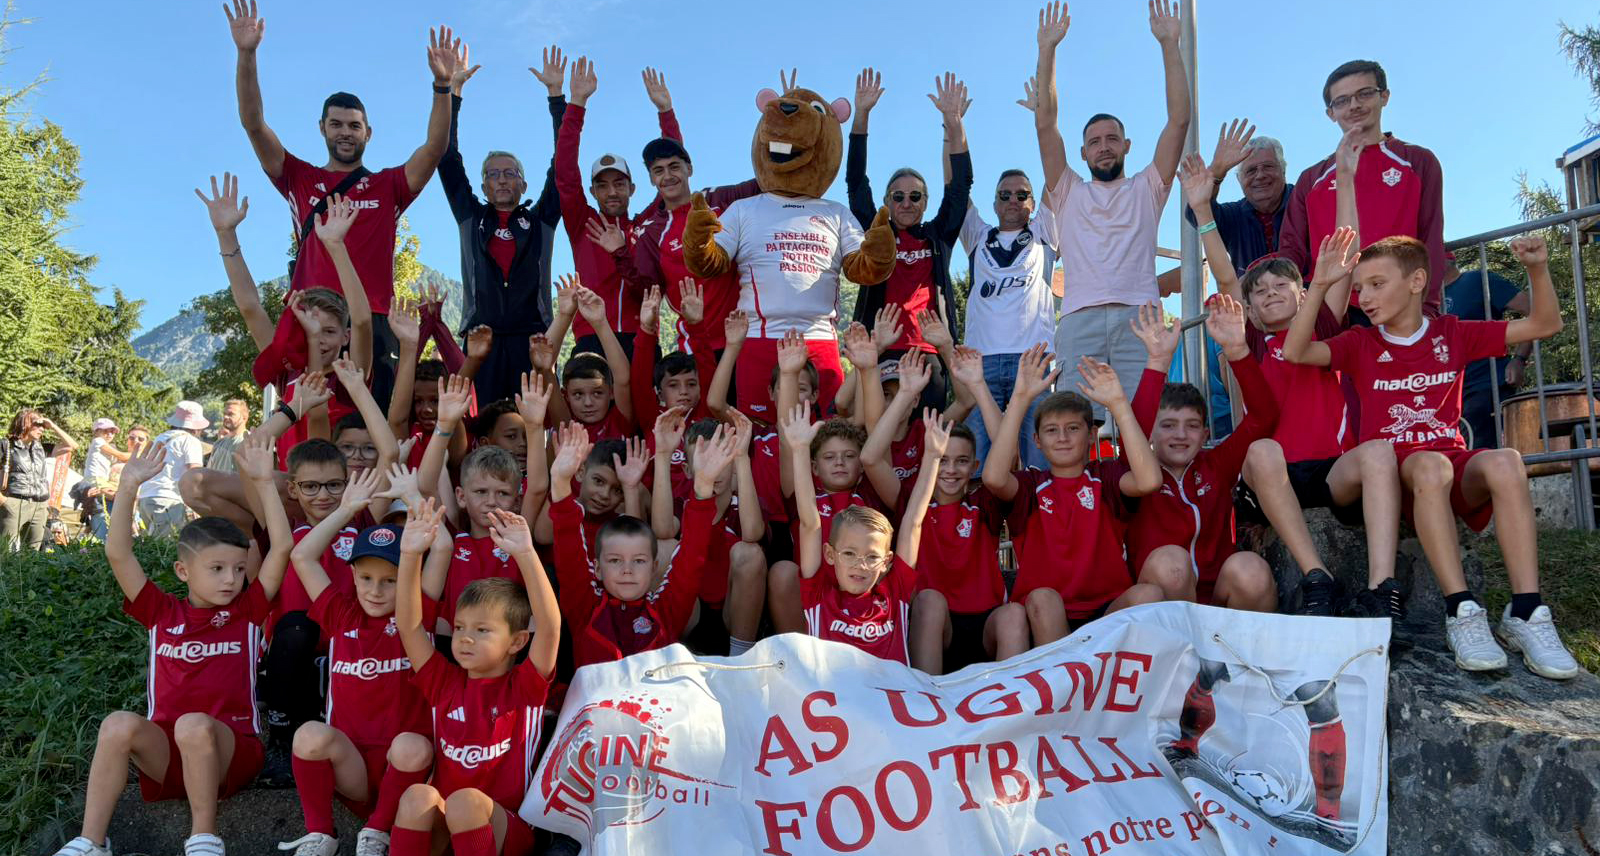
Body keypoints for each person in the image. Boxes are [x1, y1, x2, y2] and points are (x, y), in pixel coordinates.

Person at [1284, 235, 1579, 678]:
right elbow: (1296, 351)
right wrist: (1322, 285)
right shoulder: (1361, 343)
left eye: (1377, 284)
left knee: (1507, 461)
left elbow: (1544, 325)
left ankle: (1526, 610)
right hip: (1396, 471)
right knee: (1428, 464)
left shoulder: (1452, 332)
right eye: (1361, 287)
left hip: (1449, 463)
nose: (1365, 297)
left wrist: (1538, 269)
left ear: (1417, 281)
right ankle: (1461, 610)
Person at [50, 438, 288, 856]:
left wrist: (266, 483)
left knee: (193, 724)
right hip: (170, 752)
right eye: (216, 569)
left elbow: (282, 547)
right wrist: (127, 487)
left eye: (236, 568)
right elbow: (118, 552)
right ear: (183, 570)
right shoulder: (161, 613)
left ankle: (203, 837)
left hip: (234, 751)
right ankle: (90, 841)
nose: (231, 579)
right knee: (119, 724)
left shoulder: (248, 611)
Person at [226, 0, 463, 398]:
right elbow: (253, 124)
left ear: (368, 132)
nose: (345, 132)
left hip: (373, 319)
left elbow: (434, 148)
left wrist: (442, 87)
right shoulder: (299, 178)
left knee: (371, 424)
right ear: (322, 128)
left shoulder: (389, 185)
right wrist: (246, 53)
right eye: (336, 124)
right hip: (312, 318)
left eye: (354, 126)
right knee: (308, 413)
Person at [1031, 0, 1190, 427]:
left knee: (1143, 427)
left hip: (1139, 318)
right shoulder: (1066, 191)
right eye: (1095, 141)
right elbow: (1046, 126)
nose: (1103, 146)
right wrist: (1048, 50)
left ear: (1126, 146)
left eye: (1112, 138)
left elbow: (1178, 122)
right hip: (1080, 319)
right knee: (1074, 427)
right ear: (1083, 152)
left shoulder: (1147, 187)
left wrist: (1169, 43)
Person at [279, 467, 443, 856]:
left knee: (411, 746)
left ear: (408, 578)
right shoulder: (340, 613)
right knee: (307, 735)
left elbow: (445, 549)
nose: (375, 589)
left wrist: (414, 497)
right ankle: (321, 834)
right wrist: (347, 509)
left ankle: (377, 832)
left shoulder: (417, 613)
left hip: (402, 765)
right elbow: (302, 554)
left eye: (389, 580)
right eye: (366, 577)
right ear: (351, 575)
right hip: (350, 764)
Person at [388, 499, 559, 856]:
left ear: (516, 641)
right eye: (462, 627)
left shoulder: (525, 687)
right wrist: (409, 555)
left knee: (466, 802)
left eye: (482, 630)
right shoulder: (444, 682)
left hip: (505, 827)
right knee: (419, 795)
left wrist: (526, 553)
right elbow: (408, 626)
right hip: (450, 828)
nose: (465, 637)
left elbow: (549, 626)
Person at [981, 347, 1163, 648]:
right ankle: (1067, 691)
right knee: (1043, 597)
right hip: (1046, 615)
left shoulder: (1105, 478)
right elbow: (993, 478)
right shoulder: (1031, 485)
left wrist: (1118, 404)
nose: (1063, 437)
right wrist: (1021, 398)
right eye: (1052, 430)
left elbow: (1149, 480)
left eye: (1073, 429)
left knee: (1150, 595)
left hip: (1106, 611)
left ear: (1091, 436)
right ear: (1037, 441)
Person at [1126, 297, 1279, 612]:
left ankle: (1245, 656)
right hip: (1158, 610)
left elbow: (1264, 417)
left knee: (1250, 567)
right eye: (1168, 425)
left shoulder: (1216, 465)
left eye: (1192, 426)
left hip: (1216, 602)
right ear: (1151, 434)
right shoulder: (1132, 475)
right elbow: (1134, 434)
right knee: (1172, 561)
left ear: (1205, 434)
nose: (1181, 435)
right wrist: (1158, 361)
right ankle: (1183, 657)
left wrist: (1237, 351)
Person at [439, 45, 568, 404]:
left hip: (532, 339)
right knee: (484, 428)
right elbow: (447, 159)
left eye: (510, 173)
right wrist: (454, 93)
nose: (501, 180)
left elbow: (563, 164)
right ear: (483, 186)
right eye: (492, 175)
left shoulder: (539, 220)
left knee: (532, 425)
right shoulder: (471, 217)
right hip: (482, 340)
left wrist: (556, 99)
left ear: (524, 184)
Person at [1278, 59, 1447, 322]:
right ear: (1330, 113)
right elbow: (1291, 250)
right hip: (1331, 312)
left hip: (1398, 305)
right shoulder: (1311, 178)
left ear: (1385, 97)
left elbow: (1431, 236)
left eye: (1364, 94)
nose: (1354, 105)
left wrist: (1428, 307)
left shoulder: (1418, 161)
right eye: (1342, 100)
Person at [845, 69, 973, 413]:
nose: (905, 203)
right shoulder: (877, 234)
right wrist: (862, 116)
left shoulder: (938, 234)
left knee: (924, 440)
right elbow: (856, 184)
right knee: (879, 439)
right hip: (882, 349)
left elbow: (960, 187)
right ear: (887, 201)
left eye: (914, 196)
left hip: (929, 353)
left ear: (925, 202)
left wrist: (954, 123)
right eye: (897, 196)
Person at [784, 404, 948, 665]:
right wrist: (800, 449)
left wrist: (933, 456)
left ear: (887, 561)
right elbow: (810, 523)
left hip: (891, 702)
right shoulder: (818, 595)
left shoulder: (894, 592)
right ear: (829, 554)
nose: (860, 564)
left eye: (872, 556)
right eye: (849, 553)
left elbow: (913, 521)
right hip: (837, 702)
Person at [550, 422, 724, 667]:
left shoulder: (667, 612)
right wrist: (559, 481)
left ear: (654, 567)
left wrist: (703, 487)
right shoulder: (584, 610)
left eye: (639, 561)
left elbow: (691, 558)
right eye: (614, 560)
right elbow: (569, 554)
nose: (627, 570)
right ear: (597, 568)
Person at [556, 58, 682, 358]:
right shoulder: (581, 222)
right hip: (591, 339)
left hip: (640, 338)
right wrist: (577, 104)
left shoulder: (647, 224)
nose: (612, 191)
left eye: (619, 184)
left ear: (633, 189)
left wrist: (666, 112)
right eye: (603, 185)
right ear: (593, 191)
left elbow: (672, 171)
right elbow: (565, 171)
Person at [956, 169, 1058, 470]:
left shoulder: (1044, 233)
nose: (1013, 200)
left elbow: (1056, 173)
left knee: (1037, 458)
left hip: (1032, 361)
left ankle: (1036, 515)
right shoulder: (978, 236)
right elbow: (957, 186)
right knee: (975, 459)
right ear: (995, 204)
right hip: (980, 362)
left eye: (1022, 194)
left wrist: (1046, 120)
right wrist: (952, 126)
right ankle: (979, 517)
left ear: (1033, 202)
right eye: (1005, 195)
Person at [1181, 119, 1292, 274]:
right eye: (1251, 170)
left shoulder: (1303, 201)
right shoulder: (1234, 215)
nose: (1260, 175)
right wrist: (1217, 172)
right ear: (1239, 180)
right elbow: (1197, 214)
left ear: (1283, 171)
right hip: (1249, 298)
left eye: (1268, 166)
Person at [1443, 259, 1533, 448]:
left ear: (1448, 258)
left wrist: (1519, 359)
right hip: (1451, 393)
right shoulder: (1424, 298)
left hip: (1488, 384)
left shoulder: (1477, 280)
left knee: (1485, 452)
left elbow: (1533, 311)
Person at [1, 409, 77, 551]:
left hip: (40, 506)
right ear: (24, 422)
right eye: (38, 424)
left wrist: (52, 426)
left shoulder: (40, 448)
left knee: (33, 554)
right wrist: (4, 501)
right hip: (14, 503)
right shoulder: (6, 445)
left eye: (43, 426)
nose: (42, 429)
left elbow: (72, 446)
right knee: (5, 551)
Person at [138, 402, 210, 539]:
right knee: (167, 548)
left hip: (146, 498)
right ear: (196, 428)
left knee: (153, 546)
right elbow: (194, 473)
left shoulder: (161, 437)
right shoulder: (190, 441)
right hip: (168, 500)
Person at [81, 418, 130, 541]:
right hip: (95, 479)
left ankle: (86, 530)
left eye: (112, 432)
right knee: (116, 497)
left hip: (102, 480)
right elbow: (122, 457)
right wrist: (139, 452)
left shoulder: (108, 446)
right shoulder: (98, 441)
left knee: (108, 502)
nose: (109, 434)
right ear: (96, 432)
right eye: (105, 431)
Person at [206, 401, 251, 473]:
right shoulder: (218, 443)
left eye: (231, 414)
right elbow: (209, 472)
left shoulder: (249, 441)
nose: (225, 417)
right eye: (224, 414)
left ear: (244, 417)